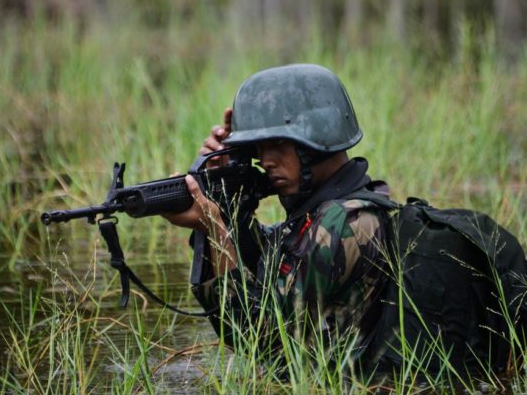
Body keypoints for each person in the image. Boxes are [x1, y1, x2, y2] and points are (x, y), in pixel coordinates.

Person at [163, 63, 391, 372]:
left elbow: (263, 341)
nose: (266, 161)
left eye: (278, 144)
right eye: (258, 148)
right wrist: (227, 197)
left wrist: (215, 230)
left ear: (319, 137)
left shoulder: (345, 224)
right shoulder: (319, 216)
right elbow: (265, 270)